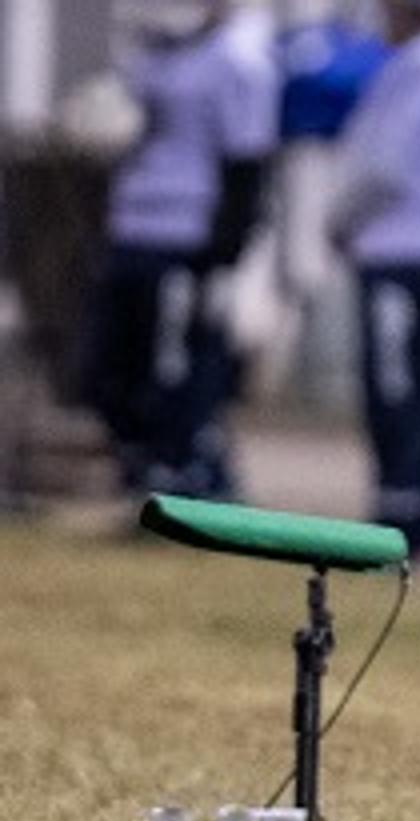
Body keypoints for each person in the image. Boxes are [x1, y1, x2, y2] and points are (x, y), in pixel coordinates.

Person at [89, 0, 278, 503]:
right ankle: (144, 466)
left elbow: (247, 166)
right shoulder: (147, 57)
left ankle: (185, 474)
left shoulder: (237, 61)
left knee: (176, 371)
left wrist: (225, 252)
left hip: (187, 238)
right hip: (133, 230)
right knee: (107, 368)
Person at [326, 0, 420, 556]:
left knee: (399, 388)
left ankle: (405, 520)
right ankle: (411, 513)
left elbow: (387, 165)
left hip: (407, 251)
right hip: (411, 250)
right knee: (412, 386)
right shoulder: (416, 64)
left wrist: (342, 219)